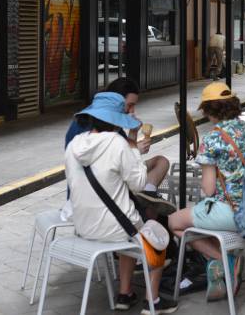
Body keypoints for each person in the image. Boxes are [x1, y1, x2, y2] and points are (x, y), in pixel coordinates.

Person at [65, 92, 178, 314]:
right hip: (115, 229)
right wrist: (133, 144)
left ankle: (125, 294)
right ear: (117, 121)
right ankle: (153, 301)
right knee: (156, 233)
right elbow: (139, 183)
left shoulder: (74, 145)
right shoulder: (117, 143)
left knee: (129, 226)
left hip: (83, 227)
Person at [168, 83, 245, 301]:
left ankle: (223, 260)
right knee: (198, 217)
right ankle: (225, 259)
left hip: (232, 212)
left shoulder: (213, 138)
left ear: (209, 110)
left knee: (175, 222)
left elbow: (209, 189)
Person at [65, 78, 170, 208]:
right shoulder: (95, 130)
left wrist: (133, 135)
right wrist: (134, 148)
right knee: (150, 210)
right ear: (116, 102)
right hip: (100, 193)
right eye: (129, 105)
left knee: (161, 161)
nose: (132, 111)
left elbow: (121, 158)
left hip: (101, 185)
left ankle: (148, 195)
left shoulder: (106, 126)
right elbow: (134, 179)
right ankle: (146, 203)